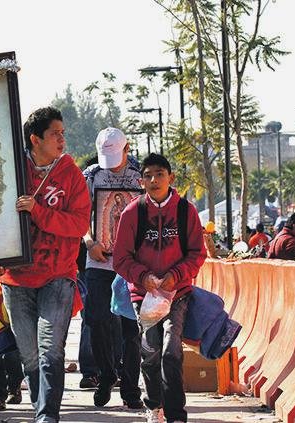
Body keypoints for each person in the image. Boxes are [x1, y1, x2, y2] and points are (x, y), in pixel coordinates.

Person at [0, 106, 91, 423]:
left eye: (63, 132)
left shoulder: (71, 173)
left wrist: (38, 211)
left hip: (58, 276)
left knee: (50, 350)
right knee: (29, 355)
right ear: (35, 139)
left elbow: (78, 225)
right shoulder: (9, 171)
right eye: (55, 134)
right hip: (15, 279)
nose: (62, 139)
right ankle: (40, 410)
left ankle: (47, 416)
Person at [113, 153, 207, 423]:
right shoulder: (133, 212)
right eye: (148, 175)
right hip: (144, 296)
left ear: (171, 178)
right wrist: (144, 278)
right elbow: (121, 259)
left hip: (177, 293)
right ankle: (154, 406)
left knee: (171, 350)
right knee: (150, 351)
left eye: (159, 174)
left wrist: (175, 275)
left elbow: (196, 254)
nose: (154, 180)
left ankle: (177, 415)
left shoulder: (185, 211)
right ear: (141, 181)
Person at [80, 128, 143, 410]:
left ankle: (130, 387)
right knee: (95, 318)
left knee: (132, 327)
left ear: (127, 149)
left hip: (133, 263)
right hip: (98, 259)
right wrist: (90, 242)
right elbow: (80, 216)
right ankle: (106, 373)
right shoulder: (90, 176)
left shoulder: (142, 175)